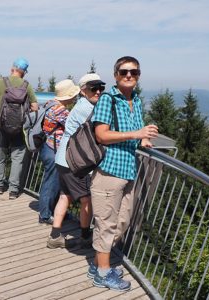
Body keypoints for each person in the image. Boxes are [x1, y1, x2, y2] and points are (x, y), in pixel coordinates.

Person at [90, 56, 158, 291]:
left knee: (123, 220)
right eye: (124, 72)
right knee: (106, 224)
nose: (129, 75)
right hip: (109, 171)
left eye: (134, 72)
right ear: (116, 75)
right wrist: (136, 134)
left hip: (128, 170)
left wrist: (145, 139)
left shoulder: (136, 101)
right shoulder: (108, 100)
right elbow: (102, 135)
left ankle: (99, 262)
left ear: (138, 75)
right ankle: (101, 273)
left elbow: (137, 132)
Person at [46, 74, 105, 249]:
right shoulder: (88, 109)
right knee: (86, 199)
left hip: (63, 159)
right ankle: (86, 236)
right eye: (94, 88)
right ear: (83, 90)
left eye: (101, 87)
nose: (98, 91)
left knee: (65, 196)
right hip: (76, 163)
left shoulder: (81, 105)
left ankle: (55, 235)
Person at [0, 58, 38, 199]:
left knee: (0, 157)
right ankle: (14, 190)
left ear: (12, 68)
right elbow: (35, 107)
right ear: (24, 72)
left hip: (2, 126)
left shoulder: (0, 82)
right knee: (17, 159)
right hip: (20, 128)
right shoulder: (26, 85)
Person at [38, 79, 79, 225]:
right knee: (51, 182)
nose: (75, 98)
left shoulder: (50, 104)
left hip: (47, 147)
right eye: (73, 95)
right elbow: (75, 126)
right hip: (54, 150)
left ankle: (53, 210)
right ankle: (45, 214)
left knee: (55, 181)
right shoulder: (60, 110)